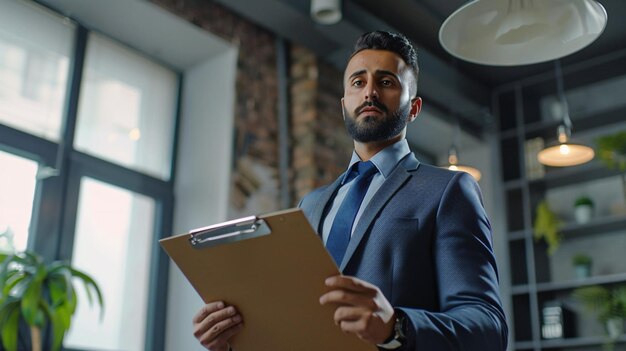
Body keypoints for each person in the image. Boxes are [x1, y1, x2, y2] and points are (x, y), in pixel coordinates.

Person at [192, 31, 508, 351]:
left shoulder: (449, 190)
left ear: (414, 107)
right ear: (344, 105)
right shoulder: (310, 205)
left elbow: (487, 327)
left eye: (386, 82)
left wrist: (395, 327)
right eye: (358, 82)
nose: (369, 91)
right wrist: (236, 340)